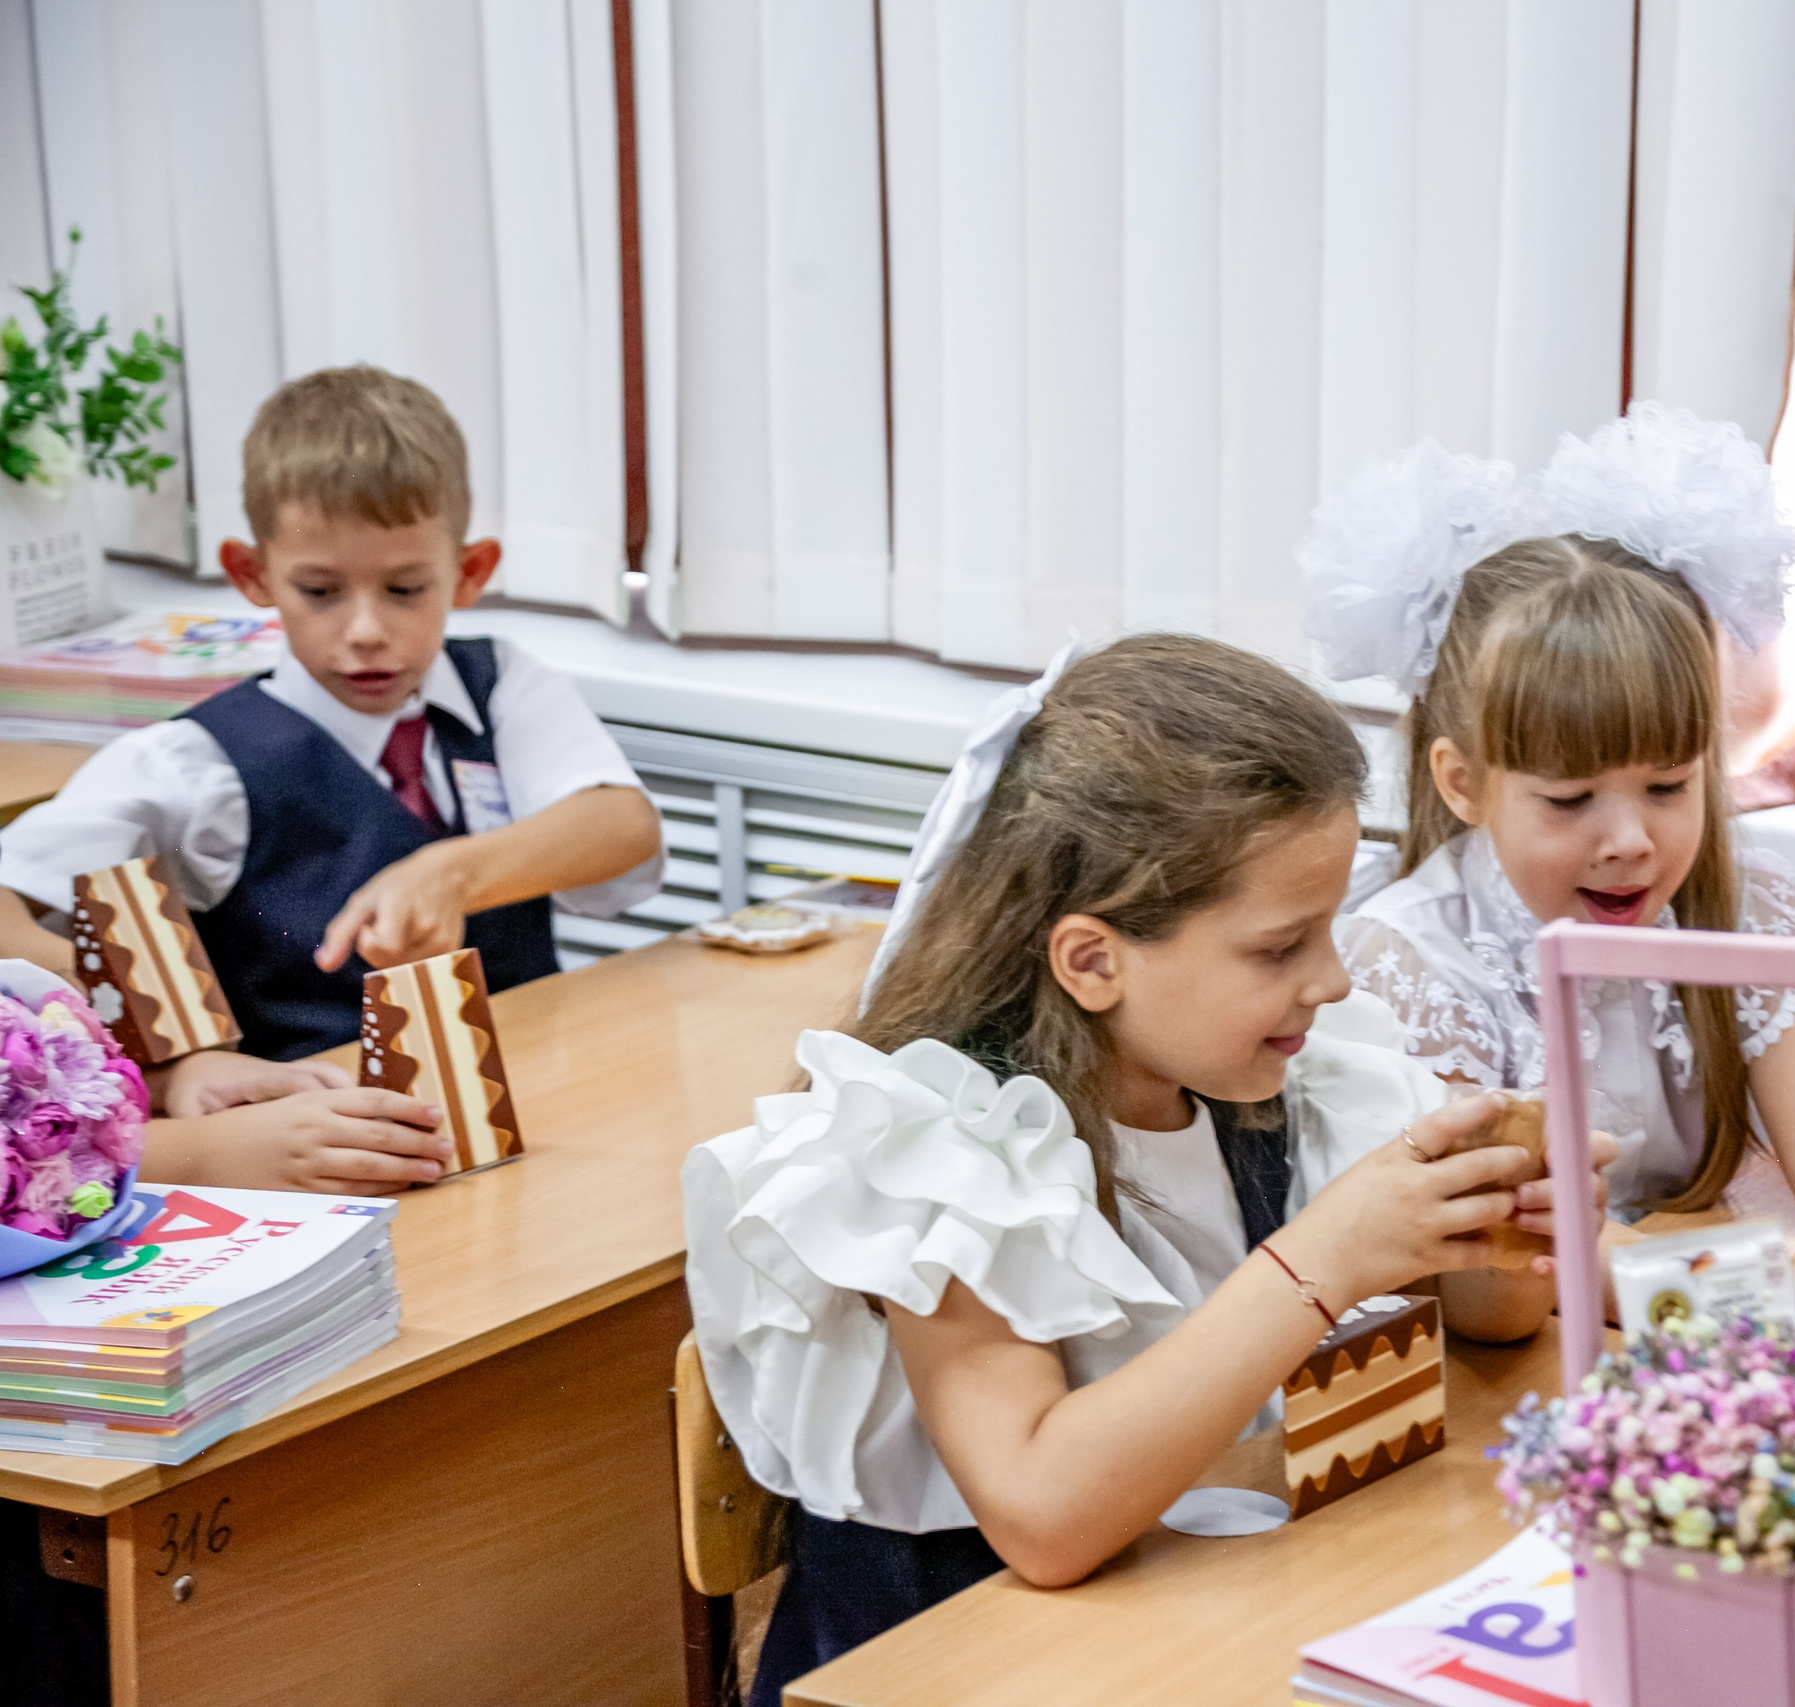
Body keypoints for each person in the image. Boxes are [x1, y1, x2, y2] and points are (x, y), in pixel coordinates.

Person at [684, 635, 1613, 1703]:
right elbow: (1042, 1514)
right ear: (1093, 961)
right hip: (966, 1667)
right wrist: (1324, 1259)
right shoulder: (943, 1145)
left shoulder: (1267, 1076)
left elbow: (1490, 1322)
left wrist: (1507, 1226)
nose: (1332, 979)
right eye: (1281, 947)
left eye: (1329, 930)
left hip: (1188, 1622)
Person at [1308, 403, 1795, 1339]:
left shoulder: (1743, 905)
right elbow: (1496, 1244)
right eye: (1571, 799)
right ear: (1463, 783)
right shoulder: (1414, 962)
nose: (1630, 840)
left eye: (1667, 785)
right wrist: (1715, 1289)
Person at [0, 367, 662, 1180]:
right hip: (331, 1150)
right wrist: (168, 1042)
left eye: (405, 588)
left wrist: (451, 873)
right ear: (252, 574)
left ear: (470, 570)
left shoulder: (502, 684)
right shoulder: (192, 762)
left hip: (536, 1103)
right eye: (320, 591)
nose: (366, 630)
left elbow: (620, 824)